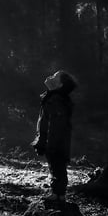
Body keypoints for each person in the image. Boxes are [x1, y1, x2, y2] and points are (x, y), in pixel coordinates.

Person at [31, 70, 77, 202]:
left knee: (58, 167)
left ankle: (59, 195)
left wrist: (48, 143)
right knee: (55, 167)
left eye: (54, 77)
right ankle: (57, 194)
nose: (49, 77)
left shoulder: (57, 100)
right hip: (54, 140)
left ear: (60, 85)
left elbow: (56, 125)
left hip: (56, 141)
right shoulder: (53, 97)